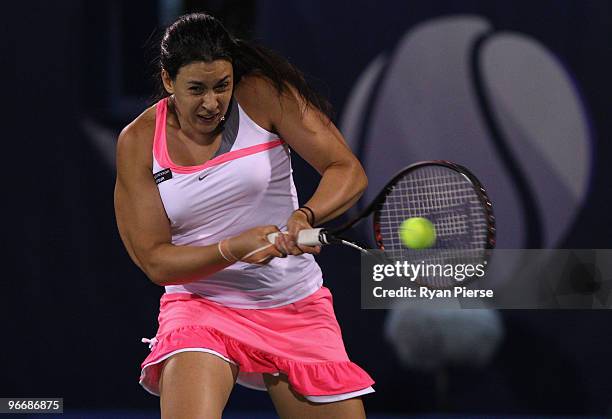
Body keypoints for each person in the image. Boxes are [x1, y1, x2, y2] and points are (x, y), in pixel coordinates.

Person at [114, 12, 374, 418]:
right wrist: (232, 248)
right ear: (168, 81)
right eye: (196, 89)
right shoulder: (138, 141)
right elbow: (156, 261)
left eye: (222, 85)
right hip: (201, 305)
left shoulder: (264, 95)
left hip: (293, 302)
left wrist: (305, 215)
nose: (212, 103)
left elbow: (347, 170)